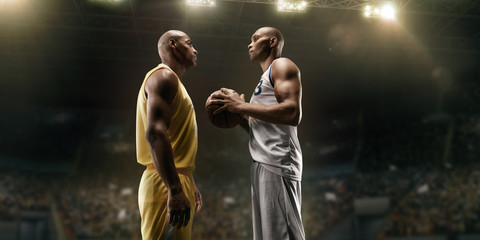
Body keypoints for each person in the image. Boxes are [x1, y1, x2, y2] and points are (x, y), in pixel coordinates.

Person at [210, 26, 305, 240]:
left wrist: (241, 107)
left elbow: (292, 112)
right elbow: (261, 126)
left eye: (255, 38)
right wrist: (239, 115)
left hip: (278, 162)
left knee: (282, 235)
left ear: (272, 42)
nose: (249, 44)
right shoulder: (263, 80)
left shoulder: (282, 65)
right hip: (263, 163)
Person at [136, 30, 202, 240]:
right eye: (189, 43)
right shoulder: (163, 76)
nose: (195, 49)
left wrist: (188, 182)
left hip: (175, 178)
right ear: (173, 44)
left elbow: (174, 139)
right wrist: (174, 188)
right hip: (164, 184)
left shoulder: (173, 82)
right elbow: (155, 134)